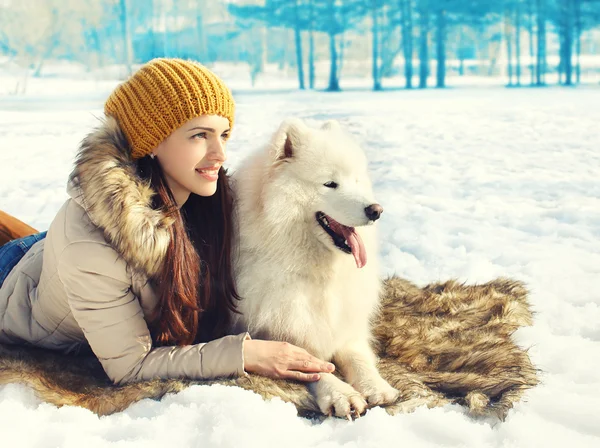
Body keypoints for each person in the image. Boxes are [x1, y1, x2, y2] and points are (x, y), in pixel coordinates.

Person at [0, 58, 335, 386]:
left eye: (224, 134)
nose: (220, 153)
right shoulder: (90, 250)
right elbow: (131, 365)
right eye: (200, 135)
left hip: (47, 255)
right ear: (150, 143)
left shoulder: (206, 195)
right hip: (15, 282)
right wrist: (244, 354)